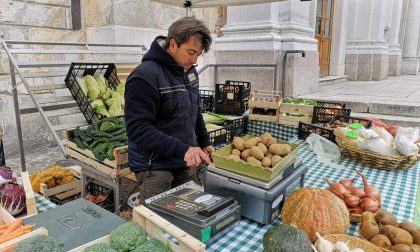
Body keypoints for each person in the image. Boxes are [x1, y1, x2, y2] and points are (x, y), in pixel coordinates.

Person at [124, 16, 214, 204]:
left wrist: (204, 141)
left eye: (198, 54)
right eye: (190, 52)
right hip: (155, 167)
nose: (194, 60)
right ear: (173, 44)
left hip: (184, 161)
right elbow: (138, 129)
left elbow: (194, 110)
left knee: (190, 213)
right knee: (158, 222)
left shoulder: (189, 72)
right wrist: (182, 149)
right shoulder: (144, 76)